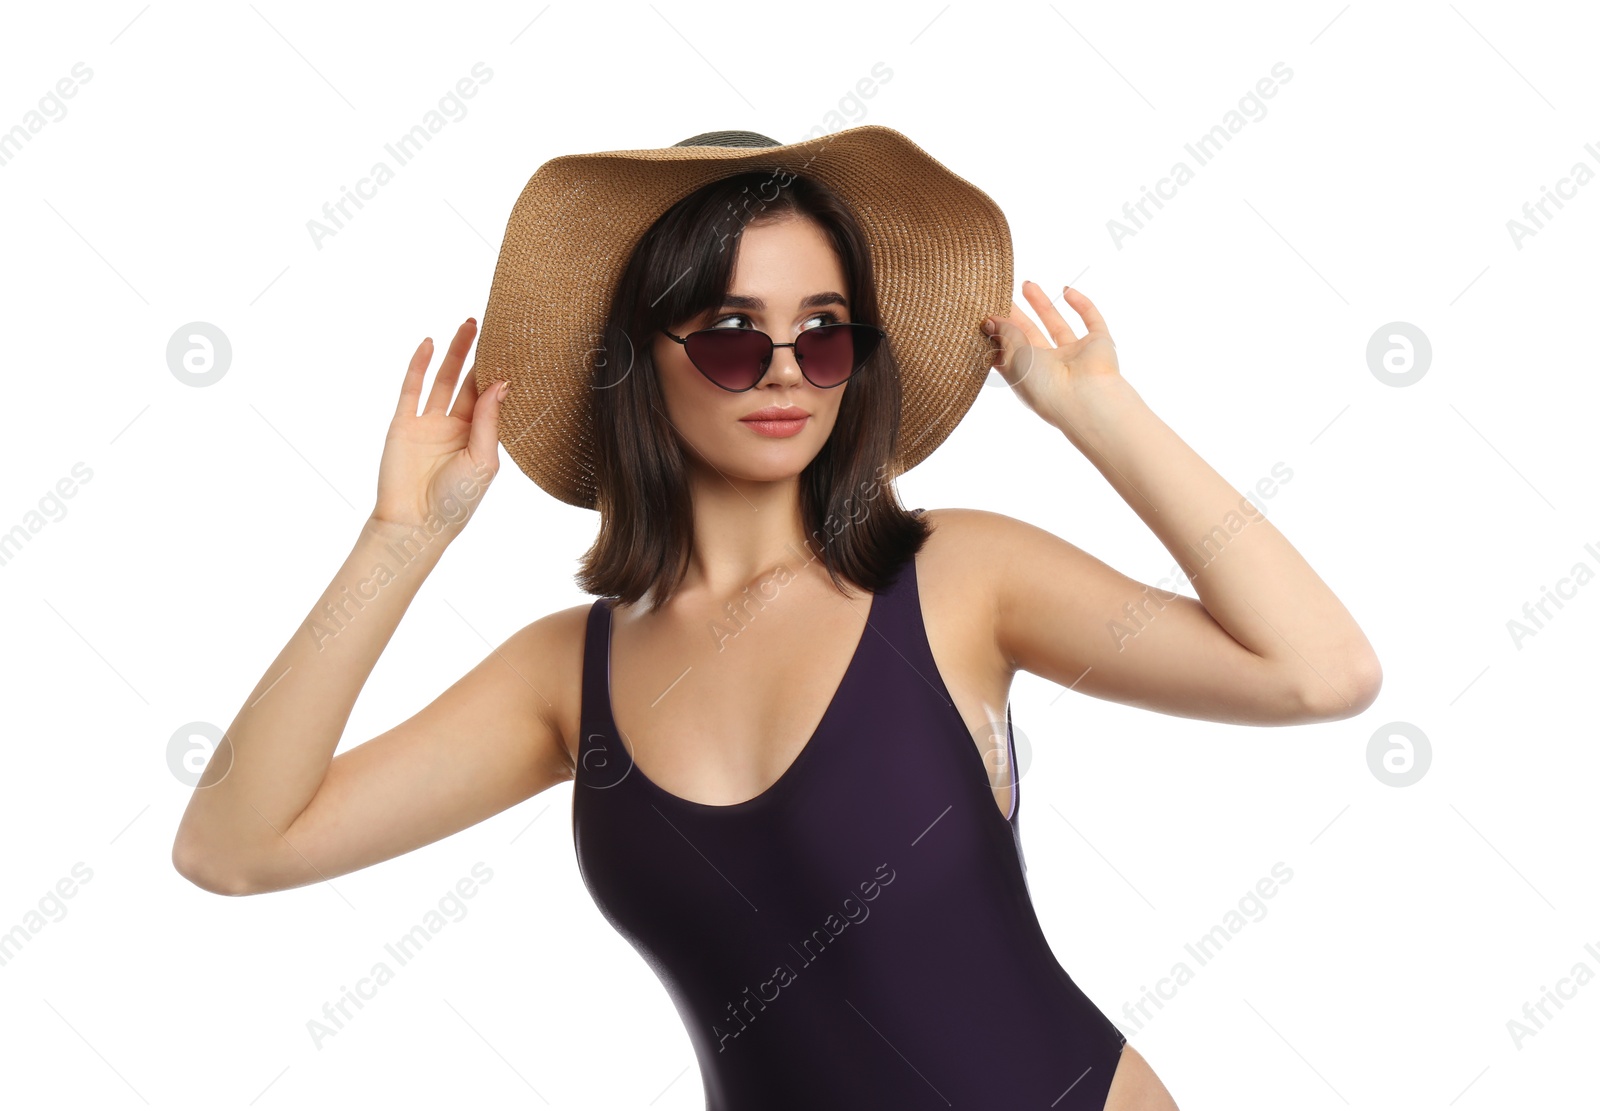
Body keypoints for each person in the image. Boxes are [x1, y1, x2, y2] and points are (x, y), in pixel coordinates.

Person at [171, 126, 1381, 1111]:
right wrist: (401, 541)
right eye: (735, 337)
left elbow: (1319, 672)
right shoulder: (564, 678)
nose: (790, 369)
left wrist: (1097, 414)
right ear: (640, 362)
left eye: (825, 331)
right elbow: (234, 847)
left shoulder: (956, 577)